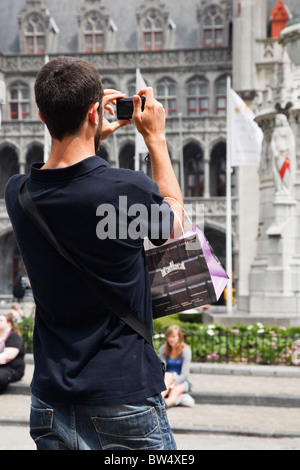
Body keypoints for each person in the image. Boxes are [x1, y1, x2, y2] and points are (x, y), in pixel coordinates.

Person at [5, 56, 183, 450]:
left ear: (40, 114)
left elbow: (72, 182)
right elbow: (175, 221)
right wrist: (154, 138)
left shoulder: (18, 193)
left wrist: (88, 130)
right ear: (93, 112)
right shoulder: (125, 190)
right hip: (123, 394)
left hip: (51, 399)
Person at [159, 325, 195, 408]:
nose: (171, 339)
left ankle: (164, 404)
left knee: (175, 390)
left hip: (182, 380)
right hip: (167, 379)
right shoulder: (163, 349)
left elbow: (185, 373)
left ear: (179, 337)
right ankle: (161, 401)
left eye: (173, 336)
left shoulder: (185, 350)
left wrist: (173, 384)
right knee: (169, 376)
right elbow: (163, 369)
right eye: (169, 337)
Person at [0, 312, 25, 393]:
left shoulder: (14, 337)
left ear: (9, 323)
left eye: (0, 320)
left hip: (12, 369)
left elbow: (8, 356)